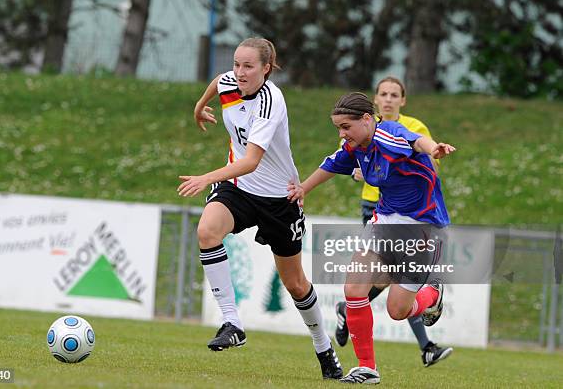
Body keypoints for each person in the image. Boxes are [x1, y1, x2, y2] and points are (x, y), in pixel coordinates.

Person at [178, 37, 343, 380]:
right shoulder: (230, 82)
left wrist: (205, 176)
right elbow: (217, 82)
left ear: (266, 69)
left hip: (280, 200)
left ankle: (324, 350)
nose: (239, 72)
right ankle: (232, 322)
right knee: (207, 230)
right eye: (236, 64)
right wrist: (199, 105)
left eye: (248, 66)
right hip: (239, 189)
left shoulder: (271, 101)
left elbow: (252, 160)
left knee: (296, 284)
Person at [287, 92, 456, 384]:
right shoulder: (353, 146)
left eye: (345, 126)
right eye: (338, 127)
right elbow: (331, 164)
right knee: (354, 288)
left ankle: (432, 294)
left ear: (367, 119)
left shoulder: (389, 135)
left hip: (423, 226)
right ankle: (367, 368)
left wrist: (434, 149)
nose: (342, 133)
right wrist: (303, 189)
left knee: (397, 310)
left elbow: (416, 140)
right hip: (386, 220)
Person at [335, 77, 453, 368]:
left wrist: (430, 150)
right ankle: (419, 345)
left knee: (394, 284)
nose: (388, 99)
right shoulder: (352, 125)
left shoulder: (412, 127)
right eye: (383, 94)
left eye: (394, 95)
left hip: (412, 214)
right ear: (374, 101)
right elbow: (350, 163)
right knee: (382, 279)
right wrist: (359, 172)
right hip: (375, 207)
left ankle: (352, 311)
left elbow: (428, 159)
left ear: (403, 100)